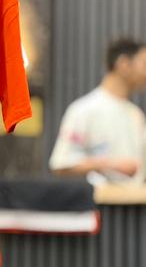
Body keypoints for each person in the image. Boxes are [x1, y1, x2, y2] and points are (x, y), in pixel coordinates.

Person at [49, 37, 146, 185]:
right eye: (144, 64)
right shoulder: (83, 110)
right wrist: (110, 164)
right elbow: (61, 164)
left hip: (136, 198)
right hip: (99, 198)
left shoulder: (136, 114)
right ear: (124, 64)